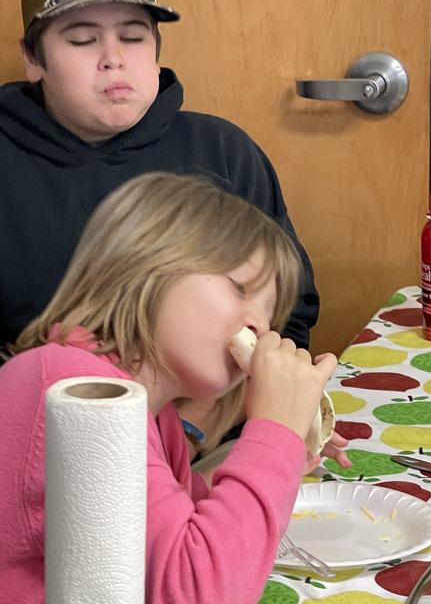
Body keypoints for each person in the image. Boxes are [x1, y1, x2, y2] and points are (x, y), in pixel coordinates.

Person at [0, 171, 344, 604]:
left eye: (270, 314)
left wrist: (280, 454)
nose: (259, 324)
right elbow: (197, 589)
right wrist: (275, 434)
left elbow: (161, 530)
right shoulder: (70, 386)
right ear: (145, 263)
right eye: (240, 288)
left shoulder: (156, 417)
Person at [0, 0, 319, 357]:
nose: (113, 58)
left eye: (133, 36)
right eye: (82, 39)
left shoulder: (223, 152)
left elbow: (290, 309)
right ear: (33, 58)